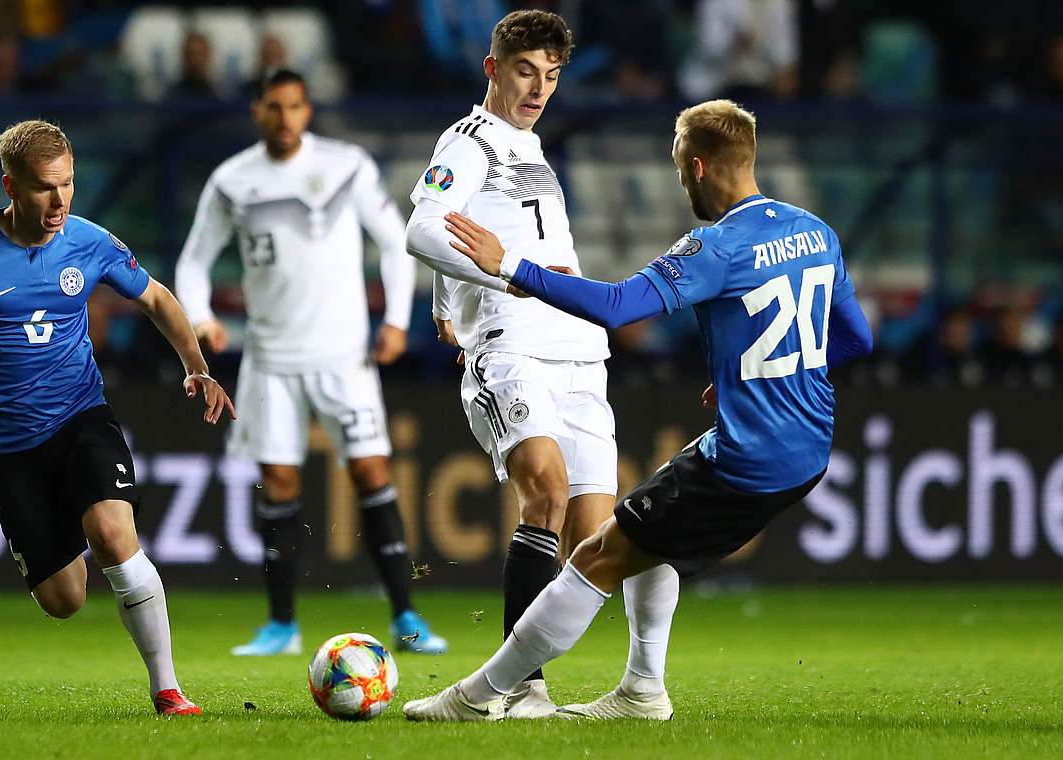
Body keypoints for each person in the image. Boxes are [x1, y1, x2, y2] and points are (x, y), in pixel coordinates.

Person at [403, 99, 874, 722]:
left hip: (749, 457)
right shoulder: (816, 231)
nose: (683, 186)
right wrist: (757, 370)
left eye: (680, 172)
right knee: (650, 538)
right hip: (809, 447)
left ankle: (477, 696)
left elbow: (619, 307)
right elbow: (855, 339)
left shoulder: (716, 246)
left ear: (697, 166)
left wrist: (510, 265)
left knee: (597, 557)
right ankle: (641, 691)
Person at [0, 120, 234, 716]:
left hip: (81, 417)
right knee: (64, 600)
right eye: (43, 188)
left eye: (68, 184)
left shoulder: (87, 241)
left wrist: (196, 366)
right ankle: (67, 533)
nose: (59, 201)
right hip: (6, 448)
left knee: (114, 534)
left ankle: (167, 689)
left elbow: (155, 296)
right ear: (10, 186)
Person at [403, 9, 679, 719]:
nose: (538, 89)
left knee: (609, 540)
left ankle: (644, 688)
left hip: (580, 351)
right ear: (492, 68)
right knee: (546, 495)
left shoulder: (528, 145)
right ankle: (519, 690)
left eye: (551, 76)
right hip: (512, 344)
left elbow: (475, 226)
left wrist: (445, 295)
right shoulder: (469, 140)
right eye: (525, 72)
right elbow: (422, 229)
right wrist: (500, 280)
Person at [173, 69, 446, 657]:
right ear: (257, 111)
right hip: (270, 359)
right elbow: (193, 261)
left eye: (295, 106)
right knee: (278, 482)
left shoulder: (346, 166)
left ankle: (406, 618)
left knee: (371, 472)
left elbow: (394, 240)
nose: (285, 118)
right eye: (274, 107)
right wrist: (200, 316)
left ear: (308, 110)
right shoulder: (231, 180)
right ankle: (282, 626)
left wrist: (397, 321)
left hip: (344, 355)